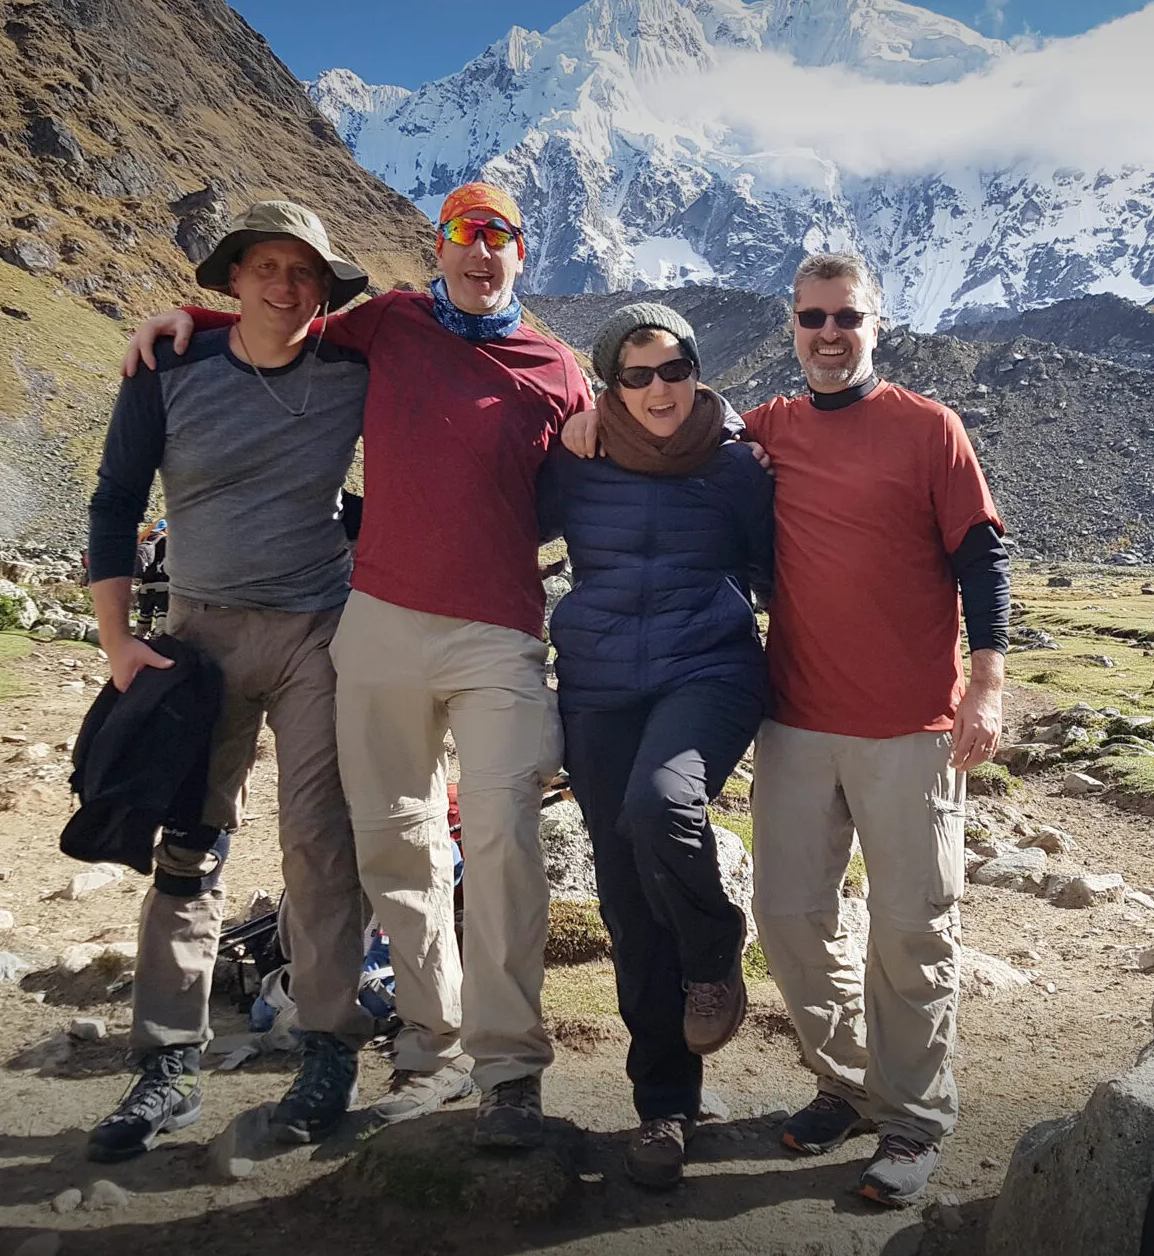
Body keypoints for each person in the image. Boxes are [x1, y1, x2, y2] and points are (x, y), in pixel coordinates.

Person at [126, 182, 592, 1148]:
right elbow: (281, 321)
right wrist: (196, 315)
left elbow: (581, 494)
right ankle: (429, 1044)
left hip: (499, 632)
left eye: (498, 237)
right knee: (394, 840)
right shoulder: (390, 322)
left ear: (521, 255)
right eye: (464, 234)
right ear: (439, 245)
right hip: (375, 622)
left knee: (502, 838)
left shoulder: (559, 369)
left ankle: (509, 1065)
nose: (479, 252)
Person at [82, 200, 378, 1161]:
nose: (286, 286)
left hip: (315, 635)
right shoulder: (168, 370)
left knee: (320, 839)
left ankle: (328, 1046)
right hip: (196, 639)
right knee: (188, 842)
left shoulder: (350, 370)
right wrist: (120, 640)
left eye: (305, 272)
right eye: (267, 267)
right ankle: (166, 1063)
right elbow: (118, 498)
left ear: (324, 288)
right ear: (234, 276)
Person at [736, 253, 1006, 1207]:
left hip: (911, 728)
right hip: (797, 721)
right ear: (793, 326)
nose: (828, 332)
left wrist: (987, 684)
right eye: (811, 317)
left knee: (912, 927)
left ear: (874, 325)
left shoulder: (930, 430)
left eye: (845, 316)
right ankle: (846, 1082)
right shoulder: (766, 429)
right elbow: (678, 436)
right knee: (790, 916)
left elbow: (982, 559)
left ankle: (914, 1116)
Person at [538, 303, 773, 1189]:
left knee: (661, 802)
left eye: (673, 368)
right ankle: (665, 1106)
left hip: (707, 673)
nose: (658, 388)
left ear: (696, 371)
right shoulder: (579, 459)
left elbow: (788, 571)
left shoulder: (737, 462)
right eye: (635, 375)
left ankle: (716, 950)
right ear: (609, 384)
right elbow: (498, 520)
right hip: (599, 686)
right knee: (627, 896)